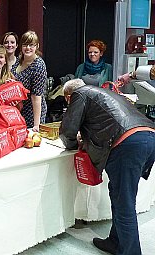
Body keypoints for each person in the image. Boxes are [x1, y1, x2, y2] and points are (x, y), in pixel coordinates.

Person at [59, 78, 155, 255]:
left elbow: (67, 131)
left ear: (68, 97)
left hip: (127, 143)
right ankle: (115, 242)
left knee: (124, 202)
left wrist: (74, 145)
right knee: (120, 194)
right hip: (147, 136)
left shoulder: (79, 94)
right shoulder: (103, 92)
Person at [11, 30, 47, 131]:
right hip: (18, 109)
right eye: (25, 44)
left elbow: (36, 97)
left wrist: (37, 125)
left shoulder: (38, 66)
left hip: (32, 111)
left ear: (37, 46)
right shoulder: (19, 59)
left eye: (31, 45)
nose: (28, 48)